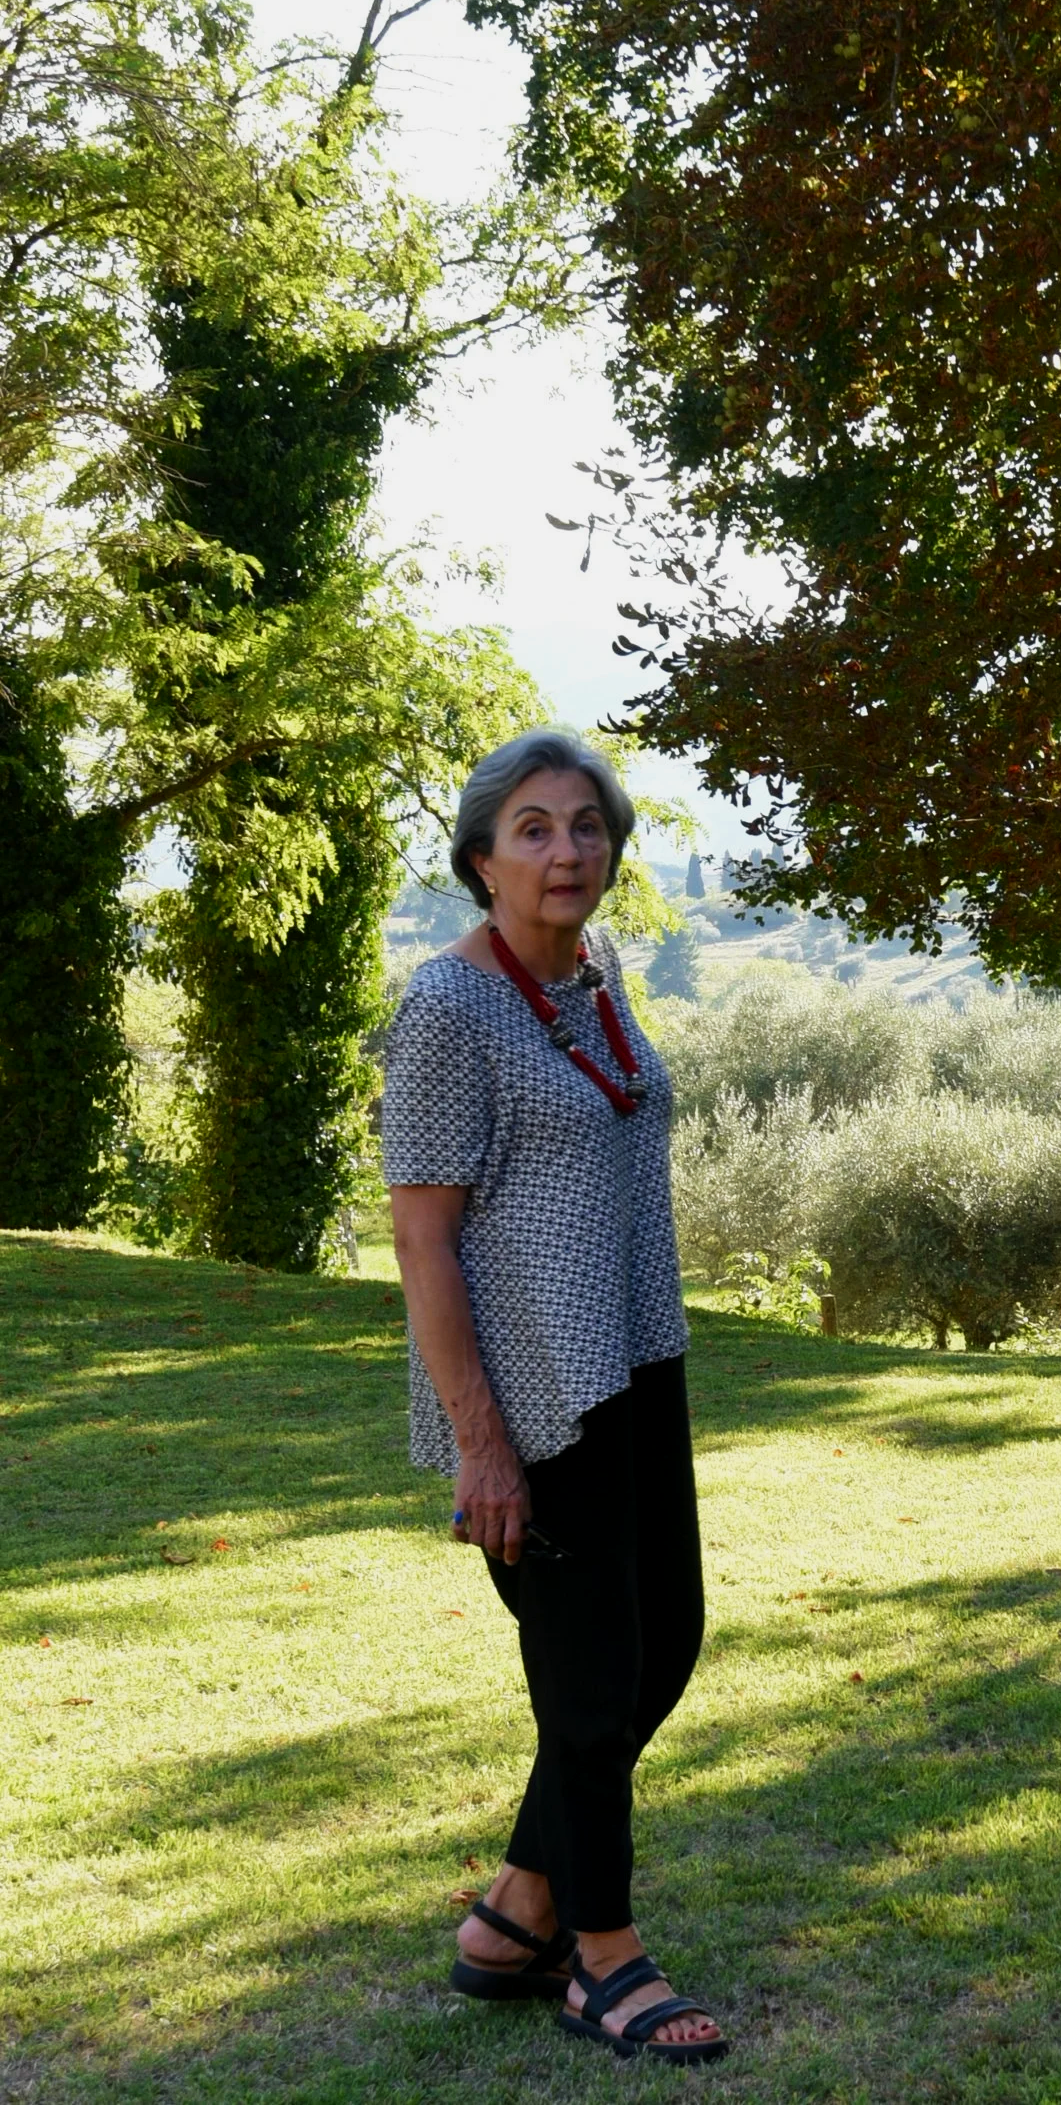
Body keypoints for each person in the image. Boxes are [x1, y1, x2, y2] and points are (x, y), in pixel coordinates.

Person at [383, 728, 728, 2064]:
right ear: (481, 857)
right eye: (532, 828)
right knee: (590, 1677)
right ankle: (599, 1957)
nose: (565, 850)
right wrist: (483, 1447)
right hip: (535, 1391)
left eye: (586, 826)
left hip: (640, 1360)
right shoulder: (449, 1012)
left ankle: (511, 1916)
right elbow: (423, 1242)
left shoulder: (597, 974)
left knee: (666, 1641)